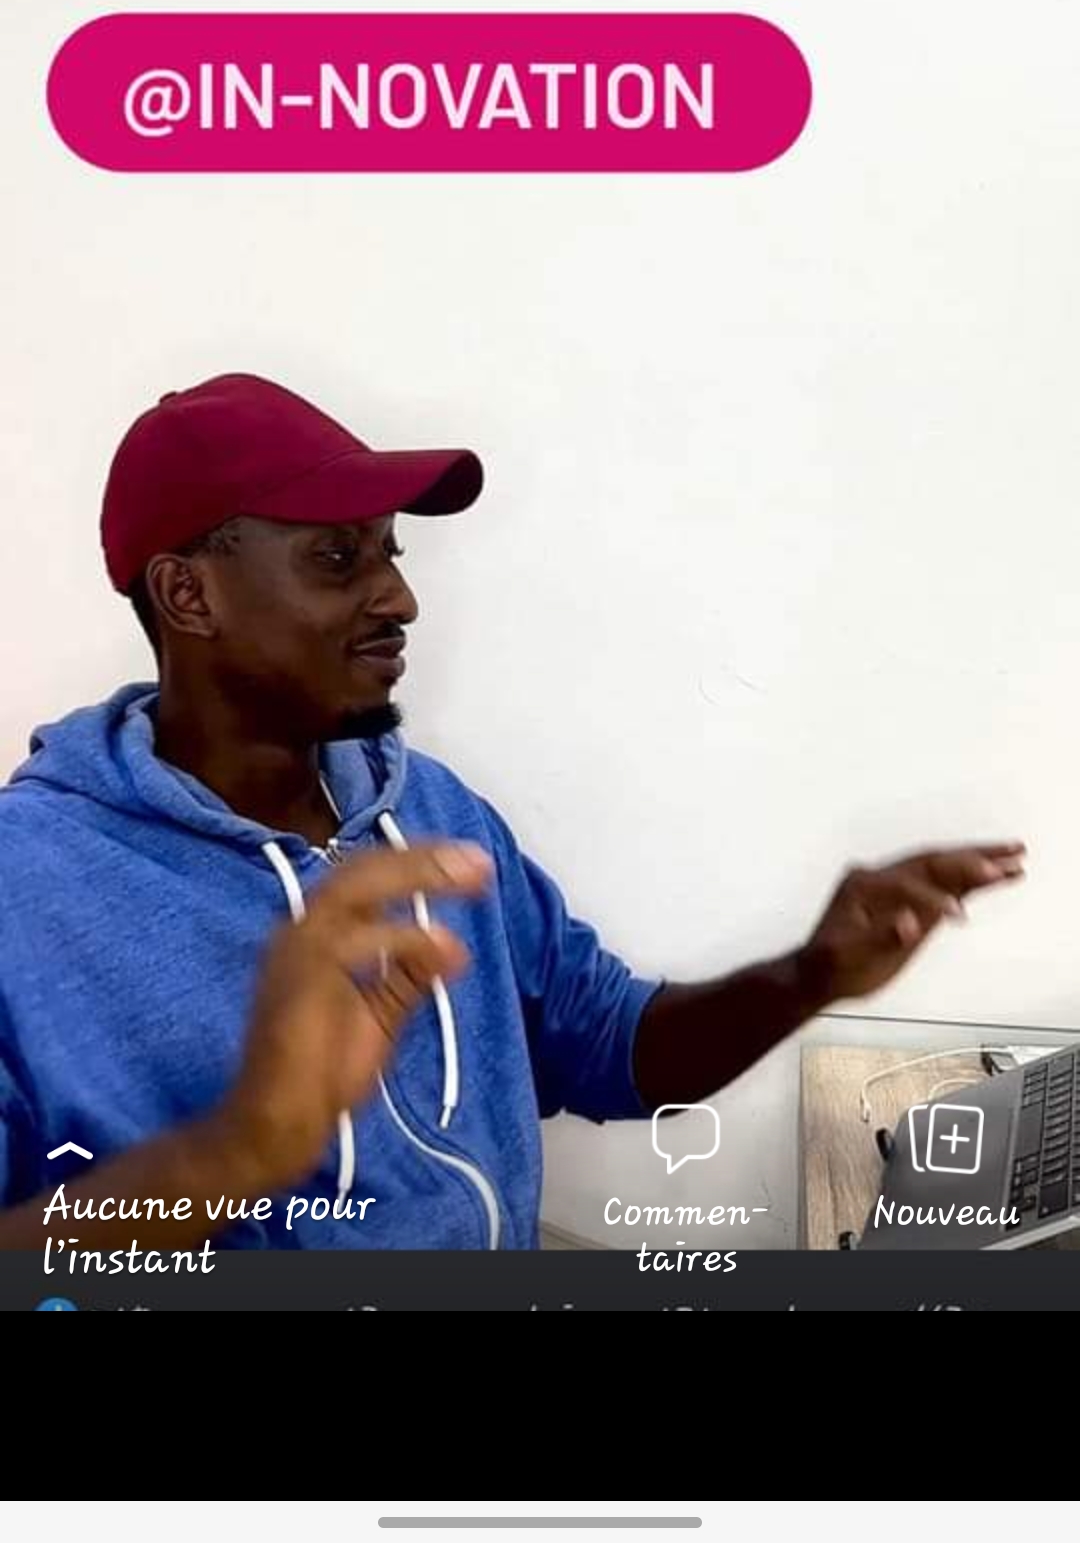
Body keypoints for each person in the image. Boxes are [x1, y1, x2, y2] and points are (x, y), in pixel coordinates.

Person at [0, 372, 1026, 1253]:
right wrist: (244, 1147)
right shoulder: (26, 889)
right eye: (339, 558)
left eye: (392, 552)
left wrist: (810, 973)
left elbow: (609, 1046)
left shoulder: (430, 811)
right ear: (188, 595)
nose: (399, 598)